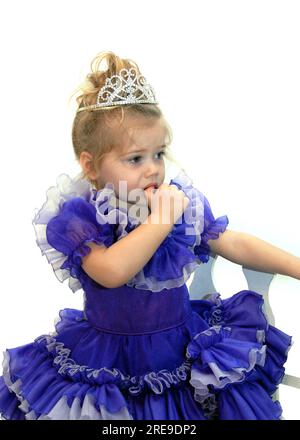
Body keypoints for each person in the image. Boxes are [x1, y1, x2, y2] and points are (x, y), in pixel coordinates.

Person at [0, 51, 299, 421]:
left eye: (159, 154)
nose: (153, 169)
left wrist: (295, 265)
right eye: (135, 159)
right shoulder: (82, 217)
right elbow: (111, 271)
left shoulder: (176, 203)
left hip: (179, 348)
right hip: (110, 359)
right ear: (91, 165)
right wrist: (160, 220)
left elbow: (231, 241)